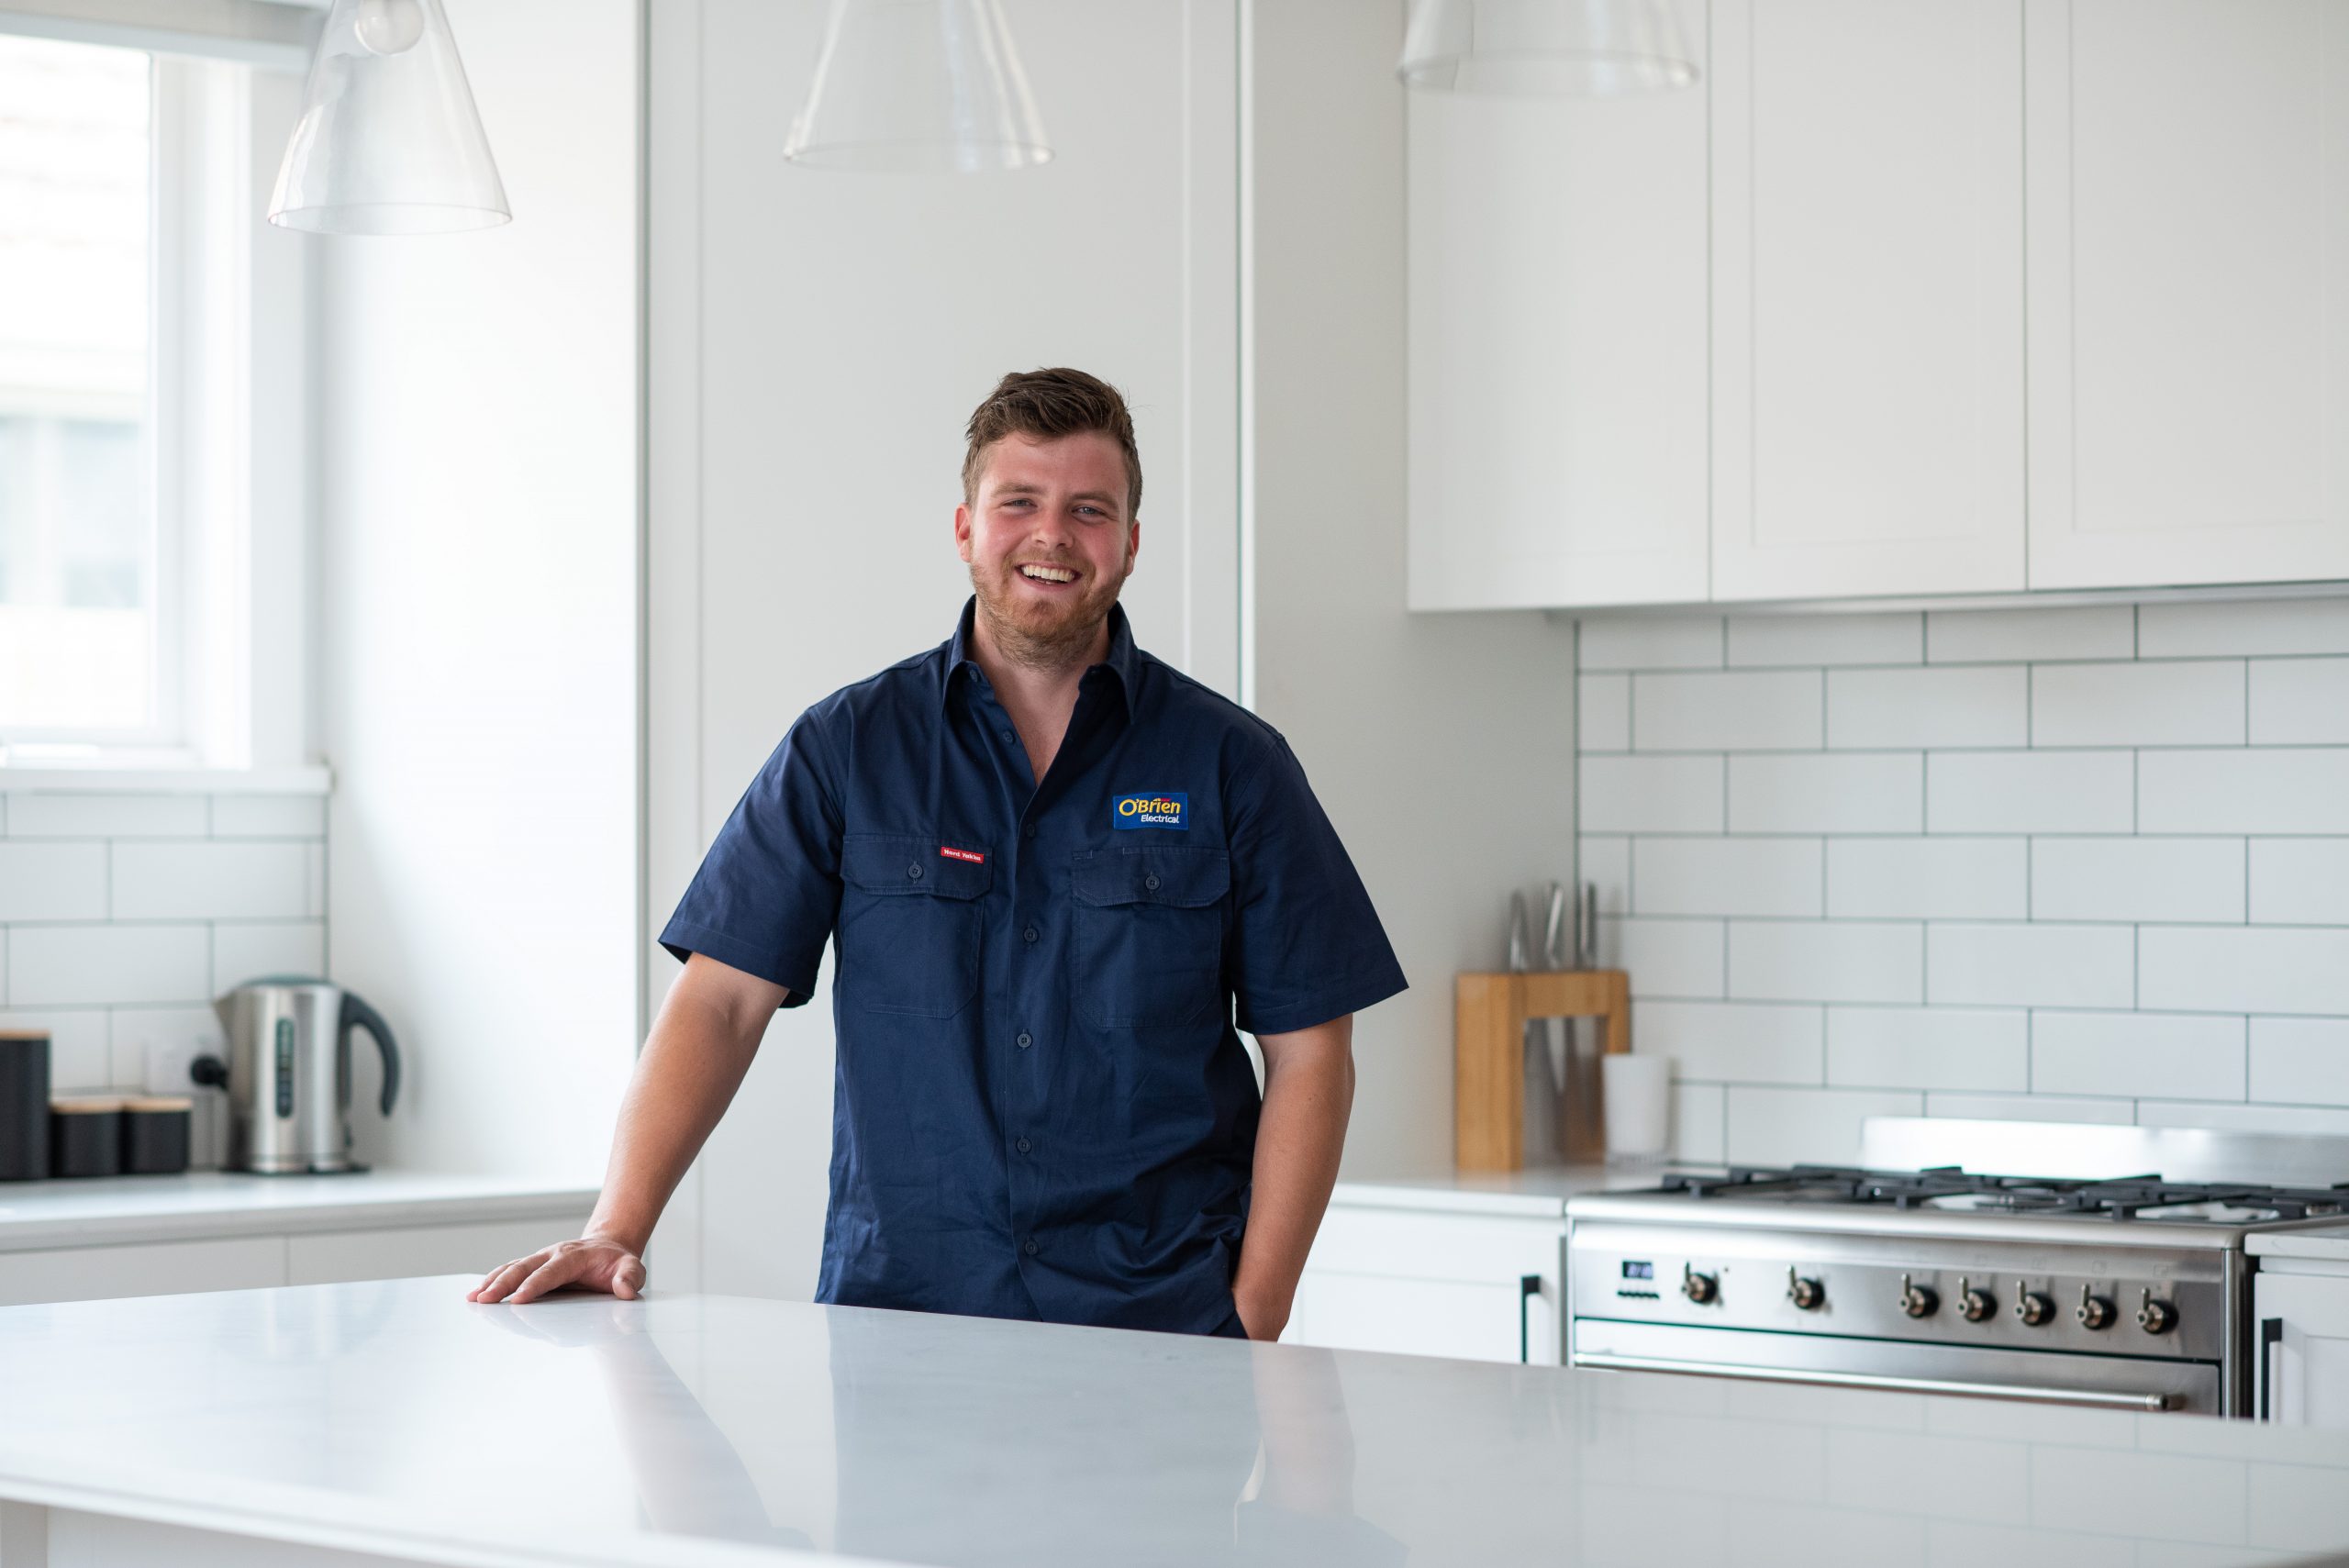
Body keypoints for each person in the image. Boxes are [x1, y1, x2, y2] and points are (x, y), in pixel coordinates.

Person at [469, 368, 1406, 1339]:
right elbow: (720, 998)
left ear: (1129, 544)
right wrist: (617, 1226)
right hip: (901, 1328)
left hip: (1159, 1328)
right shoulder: (845, 747)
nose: (1052, 535)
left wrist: (1255, 1308)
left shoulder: (1233, 764)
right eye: (1019, 503)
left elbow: (1311, 1050)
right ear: (966, 528)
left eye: (1089, 509)